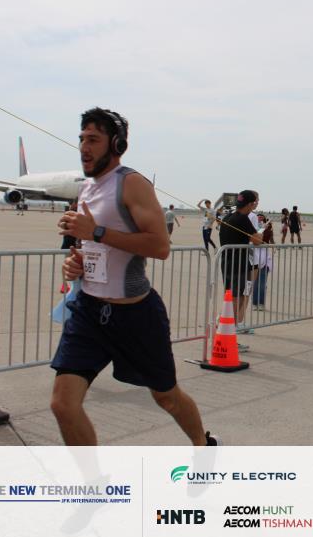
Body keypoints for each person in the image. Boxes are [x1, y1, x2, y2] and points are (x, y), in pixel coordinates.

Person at [51, 107, 218, 447]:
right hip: (88, 312)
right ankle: (92, 478)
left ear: (117, 145)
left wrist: (96, 232)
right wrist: (75, 264)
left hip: (135, 315)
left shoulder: (131, 184)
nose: (84, 147)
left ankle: (203, 446)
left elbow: (160, 246)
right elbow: (88, 249)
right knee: (63, 404)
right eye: (81, 139)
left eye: (93, 140)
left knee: (167, 397)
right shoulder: (86, 189)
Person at [218, 191, 265, 322]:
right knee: (237, 297)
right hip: (238, 264)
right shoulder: (243, 218)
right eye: (255, 202)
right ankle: (230, 326)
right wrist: (260, 233)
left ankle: (227, 325)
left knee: (230, 295)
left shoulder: (228, 217)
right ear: (250, 204)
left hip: (226, 262)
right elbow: (257, 241)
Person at [251, 215, 274, 310]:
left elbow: (269, 240)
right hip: (254, 260)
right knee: (255, 283)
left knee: (262, 284)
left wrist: (266, 229)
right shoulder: (252, 229)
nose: (259, 218)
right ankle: (254, 303)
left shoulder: (267, 230)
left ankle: (261, 303)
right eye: (258, 217)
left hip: (264, 259)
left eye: (261, 217)